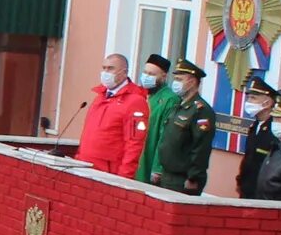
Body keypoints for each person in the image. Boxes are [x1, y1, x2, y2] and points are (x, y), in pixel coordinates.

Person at [147, 60, 218, 196]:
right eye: (175, 78)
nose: (175, 82)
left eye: (179, 79)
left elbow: (201, 147)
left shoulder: (201, 110)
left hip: (182, 178)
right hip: (167, 174)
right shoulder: (179, 106)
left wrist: (193, 177)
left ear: (191, 82)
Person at [74, 52, 151, 178]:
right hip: (85, 165)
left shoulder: (135, 101)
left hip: (108, 172)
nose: (105, 72)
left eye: (110, 68)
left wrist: (124, 176)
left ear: (124, 72)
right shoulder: (101, 97)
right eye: (104, 68)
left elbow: (134, 143)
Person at [132, 54, 179, 185]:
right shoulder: (139, 95)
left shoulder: (169, 99)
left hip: (148, 157)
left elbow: (166, 136)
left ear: (163, 77)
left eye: (152, 74)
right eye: (145, 72)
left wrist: (157, 168)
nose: (146, 77)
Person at [232, 74, 279, 198]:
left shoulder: (275, 129)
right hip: (247, 187)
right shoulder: (255, 126)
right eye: (248, 98)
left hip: (263, 192)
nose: (248, 102)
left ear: (267, 103)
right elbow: (248, 157)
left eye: (253, 98)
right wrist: (240, 181)